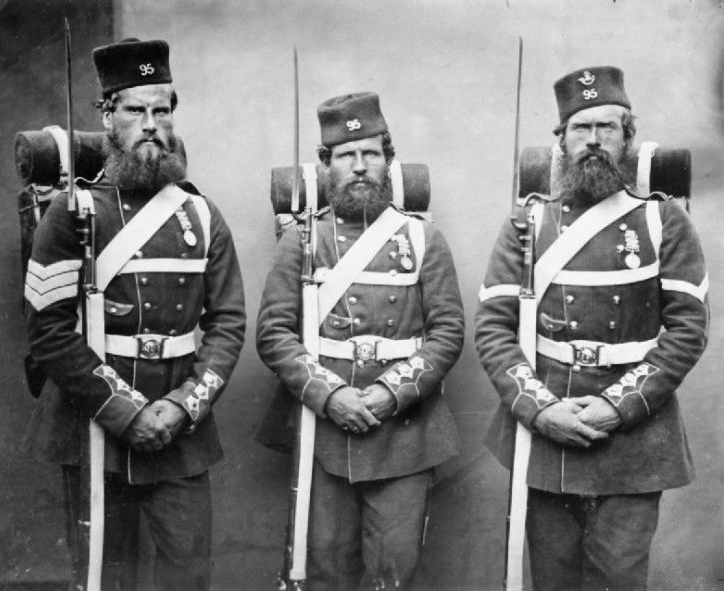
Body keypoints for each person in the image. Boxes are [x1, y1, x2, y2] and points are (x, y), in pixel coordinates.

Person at [22, 38, 245, 591]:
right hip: (94, 420)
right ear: (108, 115)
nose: (150, 123)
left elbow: (229, 323)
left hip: (181, 429)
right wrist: (126, 411)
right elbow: (48, 332)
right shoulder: (71, 211)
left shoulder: (201, 214)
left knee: (189, 577)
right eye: (135, 110)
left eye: (161, 110)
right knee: (102, 576)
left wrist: (181, 406)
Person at [475, 66, 709, 591]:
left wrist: (613, 407)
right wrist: (542, 410)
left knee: (618, 580)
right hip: (548, 427)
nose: (595, 140)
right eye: (581, 128)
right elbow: (493, 329)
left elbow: (687, 330)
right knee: (552, 580)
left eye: (608, 127)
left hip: (633, 437)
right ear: (560, 141)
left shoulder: (662, 221)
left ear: (629, 137)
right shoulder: (527, 224)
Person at [256, 92, 464, 590]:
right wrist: (330, 396)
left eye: (371, 154)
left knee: (394, 572)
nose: (360, 166)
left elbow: (448, 332)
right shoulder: (302, 240)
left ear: (388, 161)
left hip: (405, 431)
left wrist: (391, 392)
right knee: (323, 571)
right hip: (325, 428)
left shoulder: (421, 239)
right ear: (326, 165)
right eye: (347, 156)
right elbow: (274, 333)